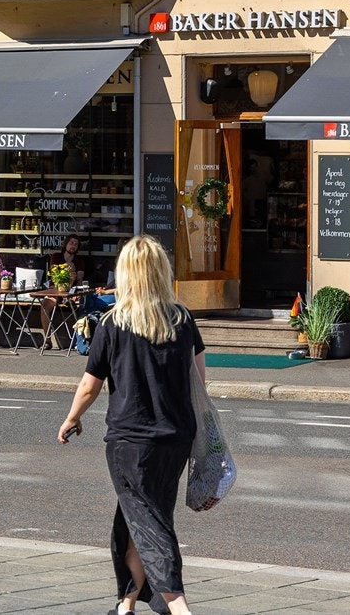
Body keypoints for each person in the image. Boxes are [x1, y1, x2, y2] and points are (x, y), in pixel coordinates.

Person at [58, 235, 207, 615]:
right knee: (138, 515)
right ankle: (125, 605)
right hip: (176, 437)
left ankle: (179, 607)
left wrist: (72, 418)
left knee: (150, 522)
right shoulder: (183, 319)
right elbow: (199, 382)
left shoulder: (112, 323)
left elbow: (90, 385)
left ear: (126, 274)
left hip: (130, 441)